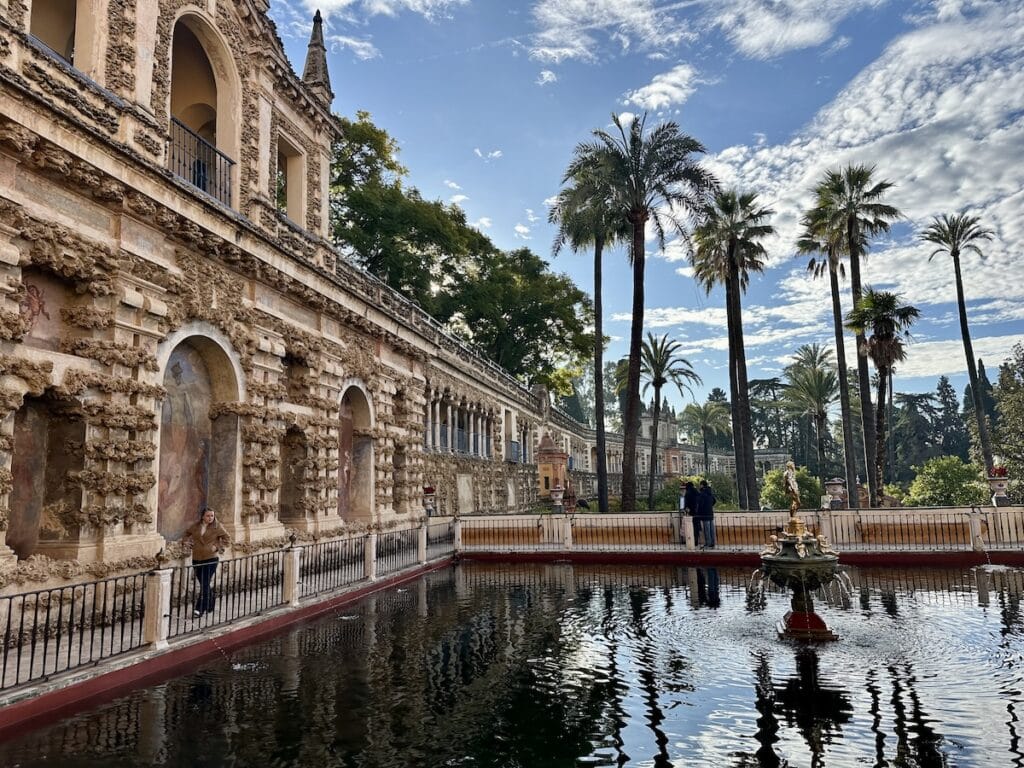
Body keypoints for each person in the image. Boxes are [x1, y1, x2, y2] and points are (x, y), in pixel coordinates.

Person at [184, 507, 230, 617]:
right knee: (204, 584)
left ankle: (199, 609)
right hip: (197, 558)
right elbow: (186, 534)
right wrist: (186, 542)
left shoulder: (217, 526)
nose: (210, 518)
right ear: (202, 516)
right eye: (208, 516)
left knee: (204, 584)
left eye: (212, 516)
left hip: (211, 558)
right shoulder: (195, 526)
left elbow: (227, 539)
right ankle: (211, 602)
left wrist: (216, 547)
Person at [695, 480, 717, 549]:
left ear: (702, 485)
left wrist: (698, 512)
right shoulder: (710, 492)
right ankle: (713, 543)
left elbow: (700, 504)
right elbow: (714, 501)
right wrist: (710, 506)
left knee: (707, 529)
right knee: (711, 529)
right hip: (710, 513)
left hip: (705, 513)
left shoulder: (702, 493)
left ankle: (708, 544)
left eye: (700, 485)